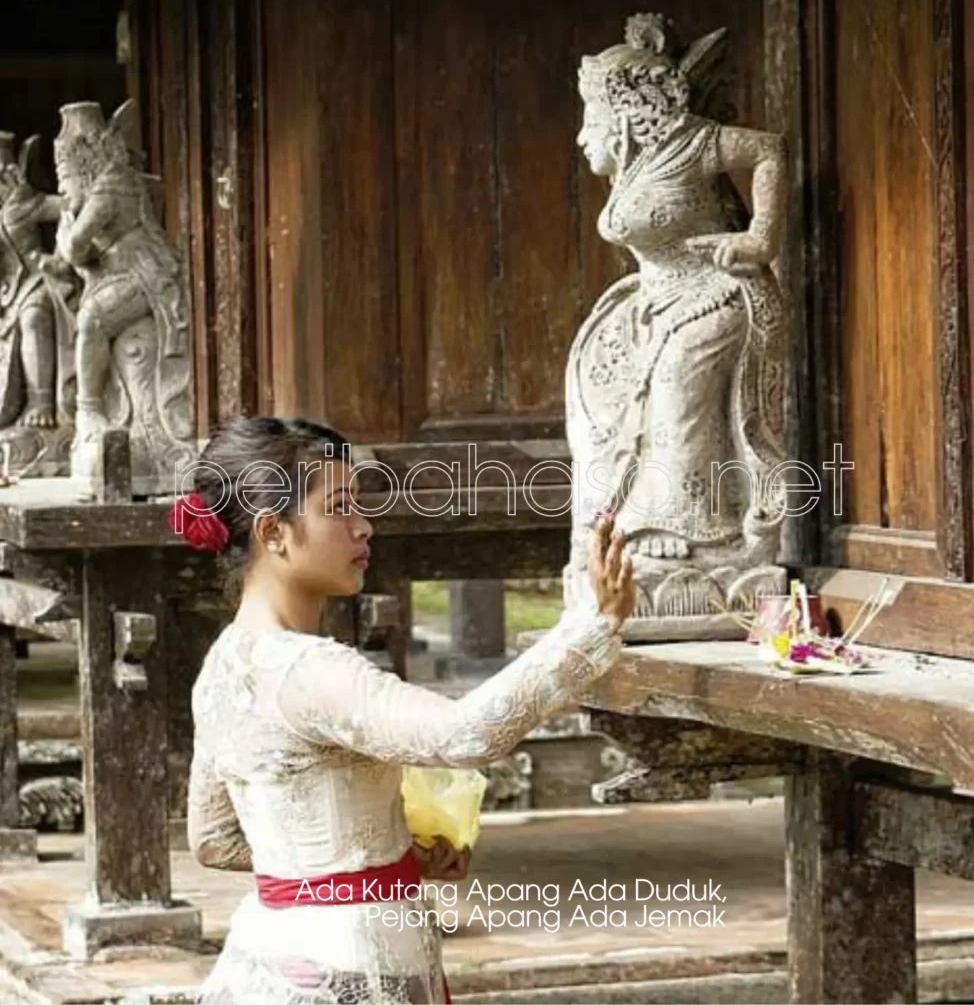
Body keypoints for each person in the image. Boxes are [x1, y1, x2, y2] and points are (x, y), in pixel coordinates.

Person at [180, 416, 635, 1004]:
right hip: (353, 963)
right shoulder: (310, 670)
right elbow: (464, 736)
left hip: (272, 953)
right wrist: (589, 631)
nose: (363, 527)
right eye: (339, 507)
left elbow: (213, 839)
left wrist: (388, 857)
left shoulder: (220, 667)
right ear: (273, 532)